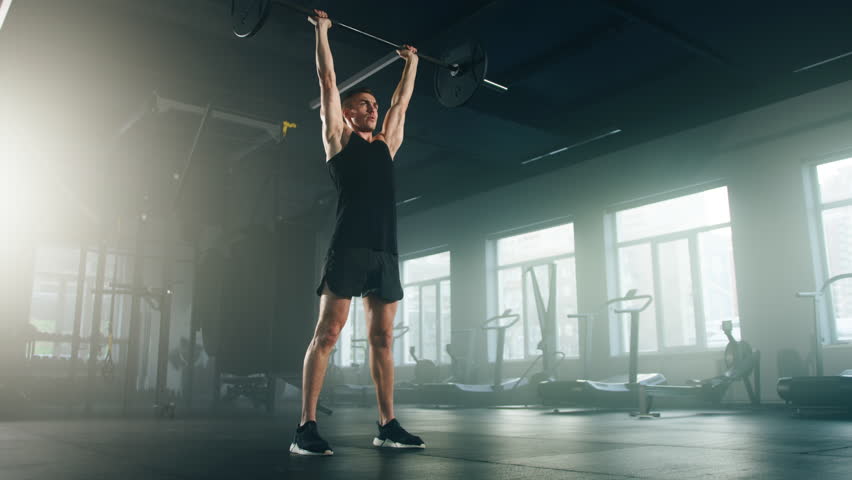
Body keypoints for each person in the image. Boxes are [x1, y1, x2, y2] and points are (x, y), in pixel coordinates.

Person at [289, 9, 425, 456]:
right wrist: (323, 32)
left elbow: (401, 104)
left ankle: (387, 424)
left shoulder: (387, 145)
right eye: (365, 105)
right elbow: (327, 81)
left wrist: (412, 64)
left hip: (384, 250)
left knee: (383, 339)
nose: (373, 109)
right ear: (347, 114)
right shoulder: (338, 140)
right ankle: (305, 427)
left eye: (374, 105)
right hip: (348, 246)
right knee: (327, 334)